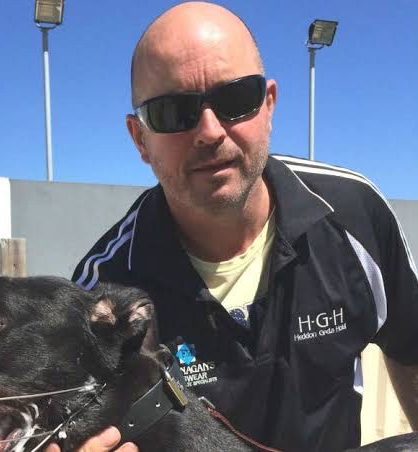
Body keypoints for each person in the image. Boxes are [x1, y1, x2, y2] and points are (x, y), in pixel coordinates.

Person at [49, 2, 418, 451]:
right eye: (173, 111)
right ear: (140, 138)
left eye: (236, 99)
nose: (209, 131)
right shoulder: (104, 289)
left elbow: (411, 346)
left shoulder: (353, 215)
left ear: (269, 105)